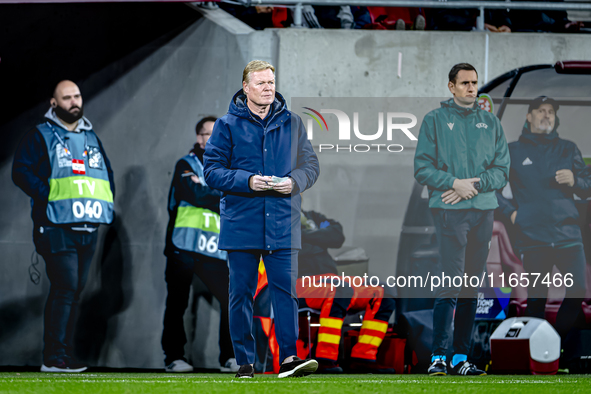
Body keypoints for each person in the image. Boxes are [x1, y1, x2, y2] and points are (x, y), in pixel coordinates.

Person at [203, 60, 320, 378]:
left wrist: (294, 182)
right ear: (246, 88)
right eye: (261, 83)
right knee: (240, 293)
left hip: (283, 222)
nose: (269, 88)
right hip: (242, 223)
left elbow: (311, 165)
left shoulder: (293, 123)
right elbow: (211, 171)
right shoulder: (226, 125)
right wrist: (247, 181)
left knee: (286, 293)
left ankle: (289, 359)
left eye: (271, 82)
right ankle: (244, 362)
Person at [414, 63, 510, 376]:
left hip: (483, 209)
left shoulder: (491, 123)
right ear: (451, 87)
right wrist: (454, 184)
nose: (471, 88)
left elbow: (502, 170)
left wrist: (473, 185)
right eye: (465, 83)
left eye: (474, 83)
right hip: (449, 211)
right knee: (450, 283)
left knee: (471, 285)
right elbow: (422, 168)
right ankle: (438, 357)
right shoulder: (434, 120)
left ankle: (460, 358)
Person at [12, 80, 115, 373]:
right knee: (66, 287)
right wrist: (48, 194)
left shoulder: (91, 136)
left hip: (88, 226)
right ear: (54, 103)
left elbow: (106, 175)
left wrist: (105, 204)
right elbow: (20, 171)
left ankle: (61, 356)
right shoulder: (40, 135)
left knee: (74, 291)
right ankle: (53, 358)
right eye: (67, 97)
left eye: (77, 96)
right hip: (55, 226)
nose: (74, 102)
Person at [496, 96, 591, 339]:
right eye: (541, 110)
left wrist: (575, 181)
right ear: (529, 117)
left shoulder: (568, 148)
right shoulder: (513, 151)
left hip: (568, 235)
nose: (547, 115)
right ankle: (534, 353)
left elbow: (587, 186)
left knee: (578, 290)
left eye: (550, 111)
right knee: (537, 297)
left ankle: (553, 341)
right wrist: (513, 214)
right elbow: (491, 189)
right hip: (533, 237)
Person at [161, 117, 237, 373]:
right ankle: (173, 357)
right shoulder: (186, 163)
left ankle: (229, 357)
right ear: (199, 138)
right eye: (207, 134)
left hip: (214, 248)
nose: (212, 139)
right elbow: (195, 193)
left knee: (231, 299)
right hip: (183, 246)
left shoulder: (227, 169)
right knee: (177, 302)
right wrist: (224, 195)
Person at [297, 209, 396, 374]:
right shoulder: (279, 216)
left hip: (332, 280)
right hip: (301, 283)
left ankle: (363, 357)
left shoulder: (312, 216)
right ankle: (324, 359)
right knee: (340, 289)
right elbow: (293, 237)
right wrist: (318, 235)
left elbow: (337, 236)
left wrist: (305, 234)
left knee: (384, 291)